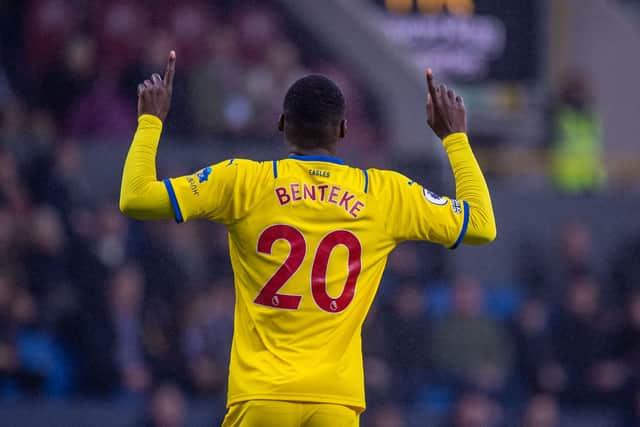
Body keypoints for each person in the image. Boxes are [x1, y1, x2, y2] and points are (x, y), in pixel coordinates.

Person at [119, 51, 496, 427]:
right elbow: (480, 224)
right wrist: (455, 139)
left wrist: (150, 122)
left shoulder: (244, 181)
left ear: (282, 124)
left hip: (262, 396)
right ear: (344, 128)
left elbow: (136, 197)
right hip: (335, 402)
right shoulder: (383, 193)